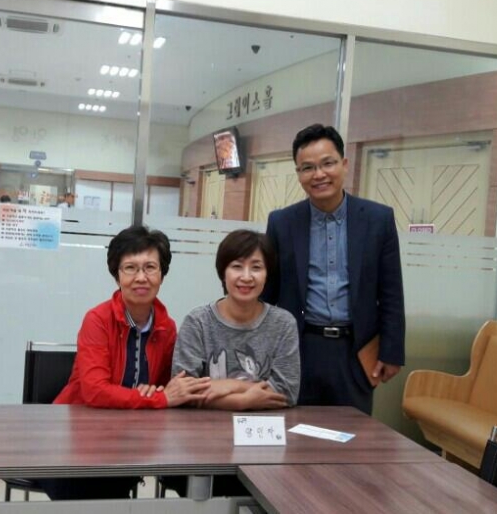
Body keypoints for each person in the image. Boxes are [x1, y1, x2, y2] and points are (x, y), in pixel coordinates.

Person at [45, 225, 210, 500]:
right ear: (117, 275)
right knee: (89, 489)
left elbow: (168, 386)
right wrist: (158, 398)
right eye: (130, 268)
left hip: (130, 438)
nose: (141, 277)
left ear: (162, 274)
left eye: (150, 267)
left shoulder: (167, 327)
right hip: (79, 436)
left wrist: (159, 394)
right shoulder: (97, 320)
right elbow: (95, 391)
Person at [261, 123, 405, 415]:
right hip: (298, 348)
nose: (319, 174)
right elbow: (268, 293)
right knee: (294, 429)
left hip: (356, 351)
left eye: (328, 163)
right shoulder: (282, 222)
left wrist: (392, 351)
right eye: (308, 168)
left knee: (353, 434)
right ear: (298, 173)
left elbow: (391, 291)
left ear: (344, 164)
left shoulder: (378, 220)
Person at [172, 229, 299, 411]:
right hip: (205, 426)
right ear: (223, 273)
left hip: (265, 425)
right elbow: (182, 390)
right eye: (237, 266)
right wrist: (241, 402)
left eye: (256, 267)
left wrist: (230, 386)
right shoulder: (197, 322)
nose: (246, 277)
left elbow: (287, 391)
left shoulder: (283, 324)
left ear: (267, 274)